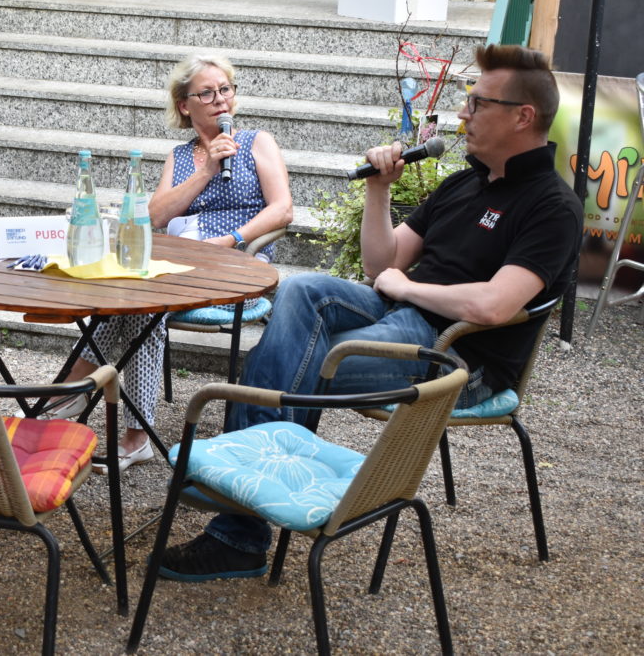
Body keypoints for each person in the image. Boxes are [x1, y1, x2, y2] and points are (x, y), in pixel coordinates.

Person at [157, 43, 584, 581]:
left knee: (300, 360)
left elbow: (493, 306)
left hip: (456, 357)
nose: (462, 114)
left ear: (523, 117)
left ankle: (240, 523)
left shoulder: (552, 206)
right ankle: (254, 500)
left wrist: (406, 288)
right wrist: (380, 192)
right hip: (405, 318)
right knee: (301, 291)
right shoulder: (463, 184)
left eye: (477, 104)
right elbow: (382, 262)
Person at [48, 54, 292, 475]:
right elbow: (154, 218)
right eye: (207, 93)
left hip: (236, 261)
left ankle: (78, 395)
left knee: (147, 303)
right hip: (178, 262)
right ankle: (95, 406)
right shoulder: (179, 157)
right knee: (133, 296)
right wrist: (207, 168)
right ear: (185, 105)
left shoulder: (256, 141)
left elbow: (283, 209)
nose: (220, 100)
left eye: (225, 90)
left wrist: (231, 240)